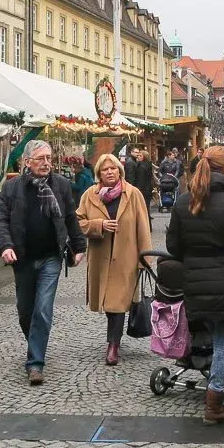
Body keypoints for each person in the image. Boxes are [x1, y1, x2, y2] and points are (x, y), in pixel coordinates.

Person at [165, 145, 224, 423]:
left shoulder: (183, 202)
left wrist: (195, 262)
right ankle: (215, 402)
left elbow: (173, 246)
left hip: (195, 282)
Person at [0, 140, 86, 385]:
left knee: (43, 308)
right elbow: (1, 220)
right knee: (25, 311)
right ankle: (36, 343)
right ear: (27, 162)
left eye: (48, 158)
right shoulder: (12, 188)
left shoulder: (61, 185)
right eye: (40, 158)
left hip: (50, 257)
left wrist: (79, 246)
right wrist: (6, 246)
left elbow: (70, 218)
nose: (46, 163)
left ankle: (35, 363)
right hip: (22, 258)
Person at [76, 154, 152, 365]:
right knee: (110, 302)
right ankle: (113, 340)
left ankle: (113, 346)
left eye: (113, 168)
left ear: (120, 171)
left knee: (117, 303)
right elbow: (78, 221)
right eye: (105, 169)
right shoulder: (90, 195)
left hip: (126, 257)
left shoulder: (133, 194)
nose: (110, 172)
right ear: (98, 173)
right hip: (101, 257)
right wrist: (99, 225)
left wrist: (145, 260)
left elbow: (143, 227)